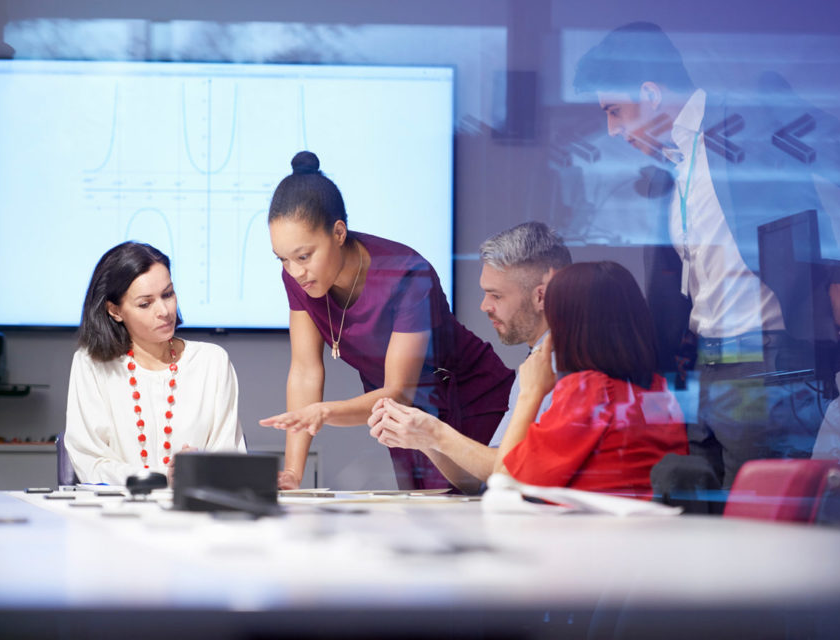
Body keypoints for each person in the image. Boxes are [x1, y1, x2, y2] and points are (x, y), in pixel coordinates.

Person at [572, 22, 840, 492]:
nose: (612, 130)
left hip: (769, 362)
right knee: (700, 513)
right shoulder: (667, 169)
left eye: (615, 111)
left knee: (754, 522)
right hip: (706, 368)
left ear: (650, 93)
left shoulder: (753, 118)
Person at [259, 151, 514, 490]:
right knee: (425, 521)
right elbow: (305, 370)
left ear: (338, 232)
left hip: (467, 395)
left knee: (483, 509)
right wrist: (293, 472)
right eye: (283, 259)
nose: (295, 271)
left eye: (304, 256)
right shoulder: (297, 276)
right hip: (400, 413)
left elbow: (398, 391)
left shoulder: (405, 274)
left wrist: (323, 412)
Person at [368, 222, 571, 493]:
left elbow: (507, 474)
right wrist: (424, 439)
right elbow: (485, 479)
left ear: (540, 296)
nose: (484, 305)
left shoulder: (564, 368)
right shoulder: (535, 366)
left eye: (496, 295)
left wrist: (436, 433)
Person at [492, 261, 688, 498]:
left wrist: (530, 394)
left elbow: (503, 483)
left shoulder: (590, 393)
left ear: (567, 329)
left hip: (590, 532)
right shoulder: (658, 392)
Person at [65, 242, 245, 485]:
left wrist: (201, 468)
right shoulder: (91, 364)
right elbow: (91, 463)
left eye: (168, 294)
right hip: (116, 516)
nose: (164, 310)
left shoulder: (212, 362)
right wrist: (160, 478)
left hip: (195, 515)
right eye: (145, 303)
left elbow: (230, 458)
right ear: (115, 311)